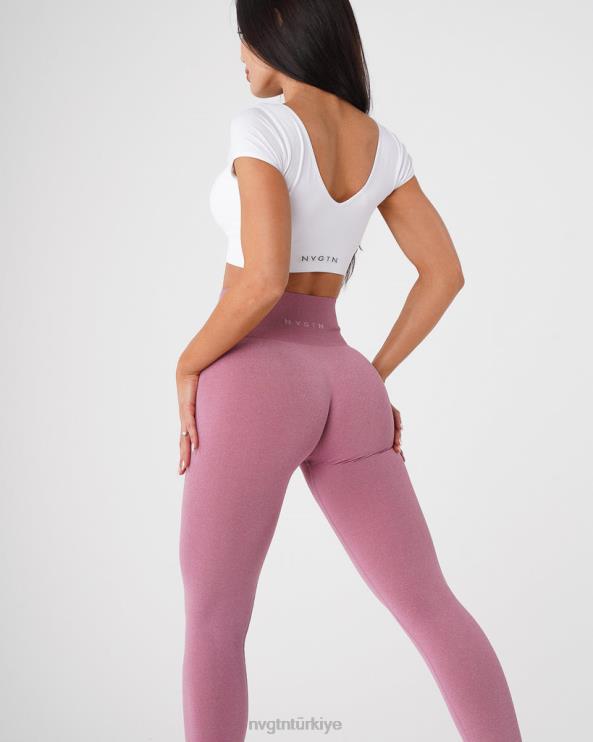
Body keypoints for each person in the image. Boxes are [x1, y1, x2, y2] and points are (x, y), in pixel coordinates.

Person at [175, 1, 523, 740]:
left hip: (255, 380)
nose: (239, 54)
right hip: (344, 379)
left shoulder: (262, 127)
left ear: (276, 25)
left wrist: (187, 363)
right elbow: (444, 274)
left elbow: (262, 281)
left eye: (243, 35)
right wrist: (374, 376)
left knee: (214, 623)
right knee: (431, 608)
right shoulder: (379, 143)